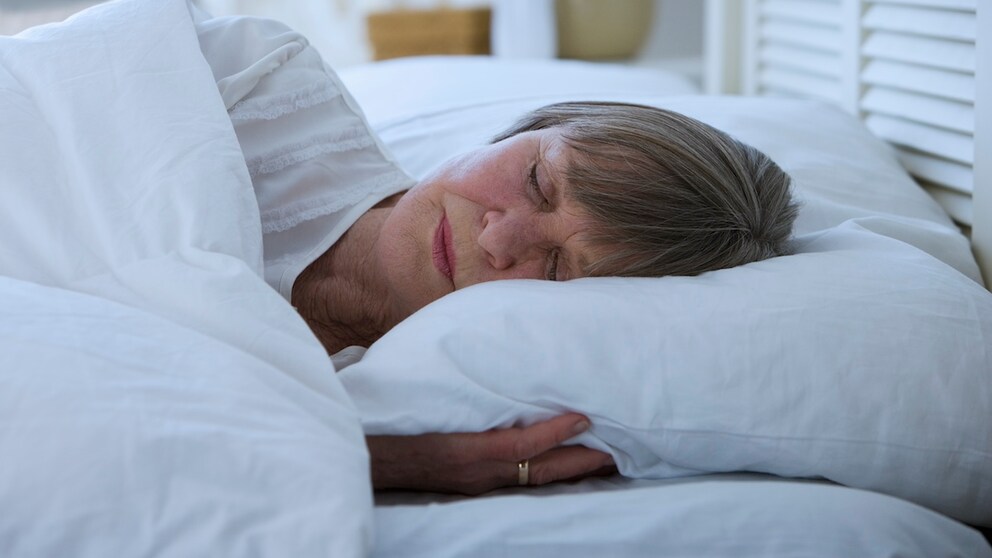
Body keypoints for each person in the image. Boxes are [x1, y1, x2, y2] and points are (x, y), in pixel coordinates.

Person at [196, 12, 798, 496]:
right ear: (526, 128)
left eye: (556, 268)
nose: (494, 240)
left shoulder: (399, 401)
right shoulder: (259, 83)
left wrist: (373, 459)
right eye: (537, 180)